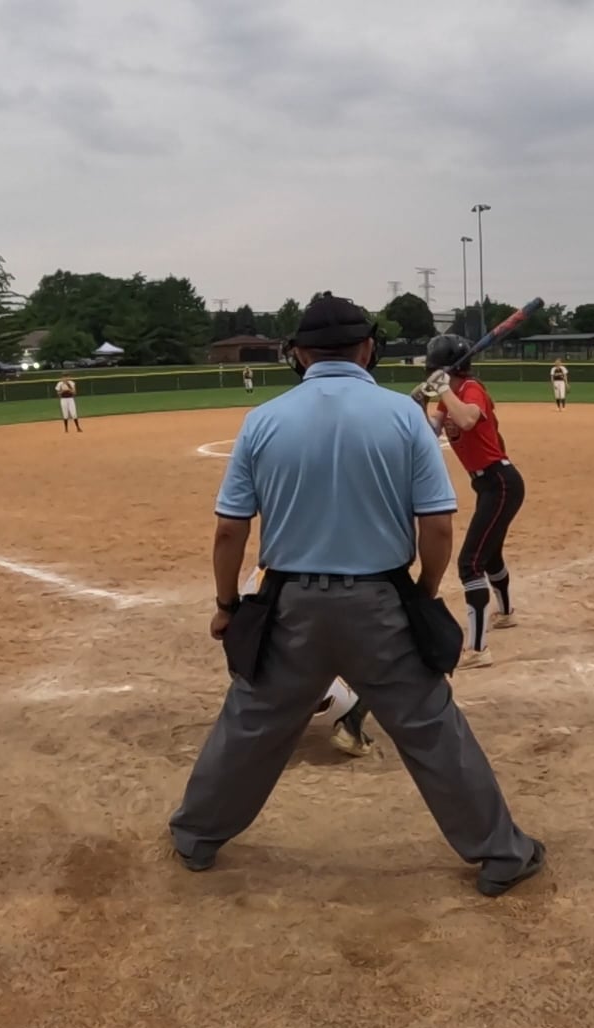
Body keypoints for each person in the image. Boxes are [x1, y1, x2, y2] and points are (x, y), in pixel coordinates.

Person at [170, 293, 545, 897]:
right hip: (380, 605)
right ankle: (502, 853)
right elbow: (437, 526)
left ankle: (196, 835)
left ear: (299, 355)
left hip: (288, 608)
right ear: (368, 348)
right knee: (432, 730)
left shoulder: (262, 420)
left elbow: (229, 531)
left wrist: (226, 606)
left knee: (250, 724)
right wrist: (422, 595)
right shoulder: (403, 416)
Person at [422, 333, 524, 669]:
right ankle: (506, 613)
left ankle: (478, 650)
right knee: (489, 553)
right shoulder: (448, 397)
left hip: (501, 482)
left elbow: (467, 419)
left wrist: (443, 389)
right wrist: (420, 404)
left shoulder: (470, 388)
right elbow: (429, 434)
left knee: (470, 563)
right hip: (487, 485)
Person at [243, 566, 373, 757]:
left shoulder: (268, 563)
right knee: (393, 643)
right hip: (326, 695)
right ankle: (352, 722)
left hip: (261, 683)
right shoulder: (354, 567)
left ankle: (265, 721)